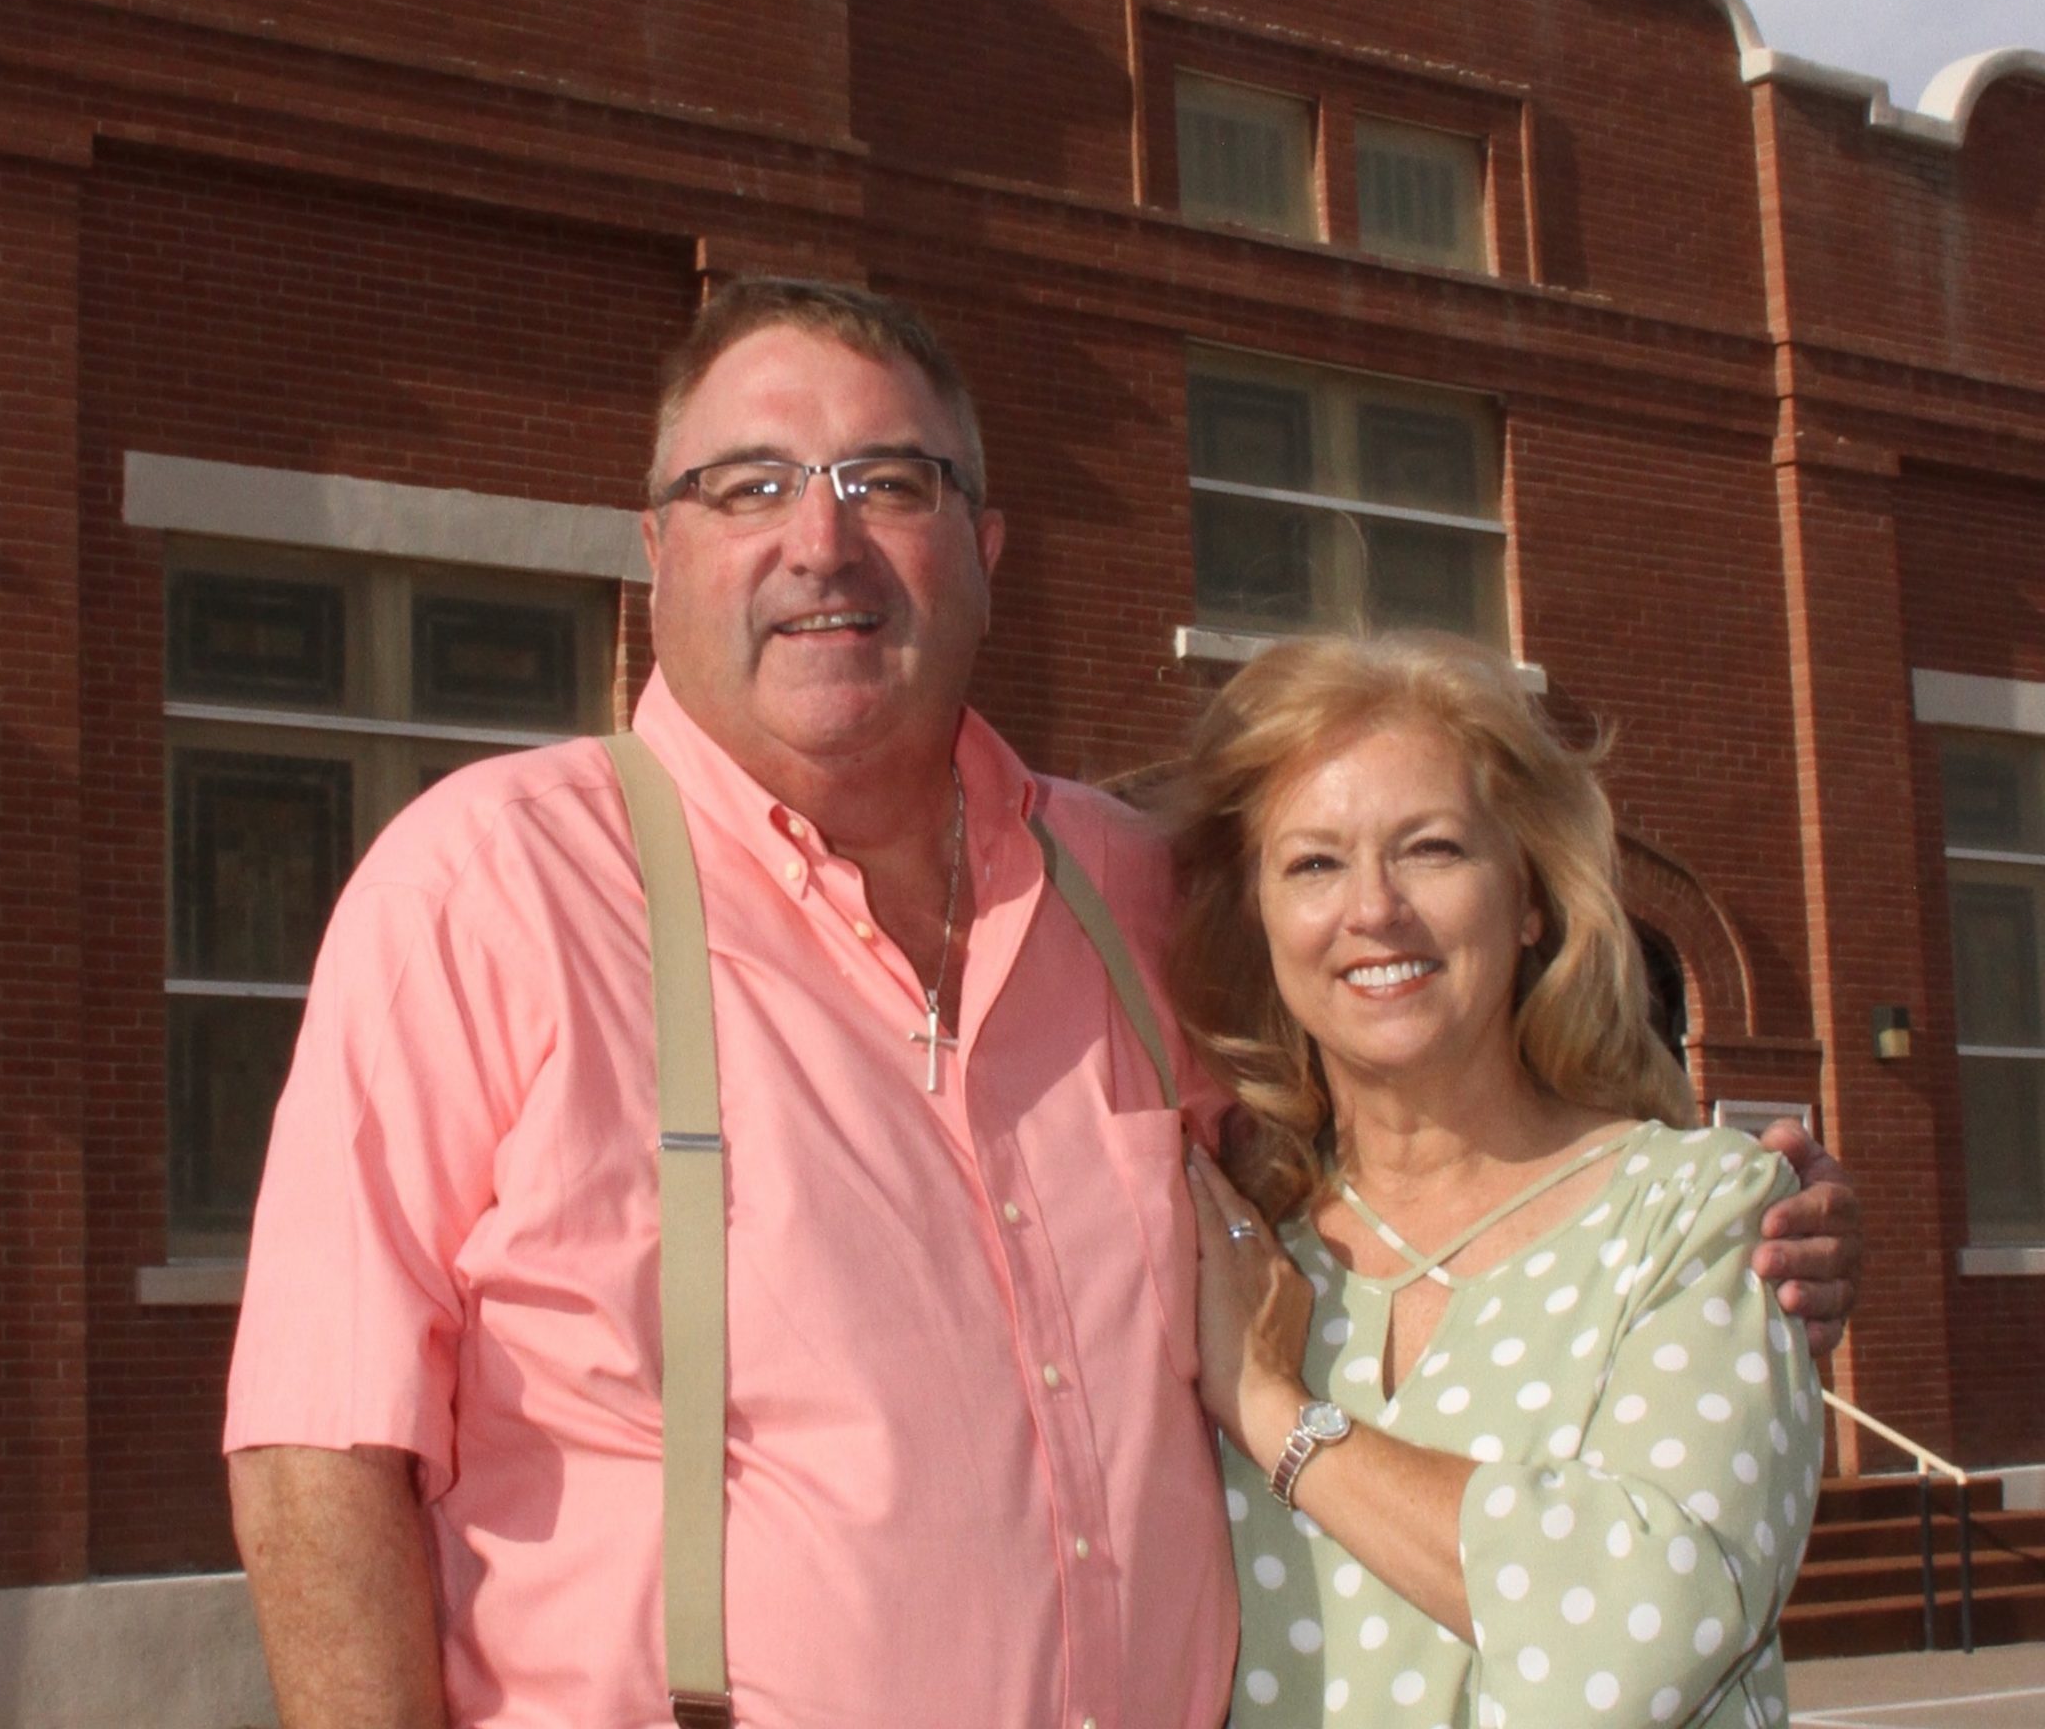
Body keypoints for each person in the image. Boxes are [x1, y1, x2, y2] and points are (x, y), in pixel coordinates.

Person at [224, 278, 1857, 1729]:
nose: (821, 538)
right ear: (659, 552)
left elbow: (1405, 1107)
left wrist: (1703, 1233)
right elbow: (321, 1437)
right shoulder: (493, 886)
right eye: (749, 486)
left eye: (890, 481)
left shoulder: (1138, 890)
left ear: (985, 549)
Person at [1169, 632, 1821, 1728]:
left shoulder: (1694, 1212)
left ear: (1528, 897)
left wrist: (1276, 1412)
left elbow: (1640, 1633)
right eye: (1314, 862)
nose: (1372, 908)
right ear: (1259, 917)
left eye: (1429, 848)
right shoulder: (1232, 1236)